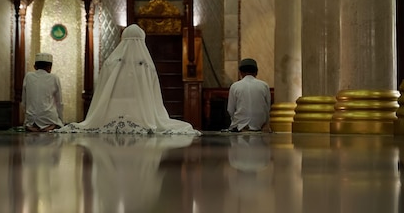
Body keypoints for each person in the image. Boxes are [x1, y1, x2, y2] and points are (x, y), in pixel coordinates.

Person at [56, 24, 200, 135]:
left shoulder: (110, 62)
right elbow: (153, 95)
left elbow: (101, 91)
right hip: (142, 110)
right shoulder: (147, 65)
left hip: (111, 110)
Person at [226, 58, 272, 132]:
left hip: (240, 127)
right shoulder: (264, 85)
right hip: (260, 127)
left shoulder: (235, 86)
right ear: (256, 72)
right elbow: (267, 108)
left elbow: (230, 110)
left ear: (240, 72)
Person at [21, 52, 64, 132]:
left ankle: (32, 126)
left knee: (30, 121)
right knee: (55, 122)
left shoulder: (28, 76)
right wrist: (61, 120)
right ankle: (50, 126)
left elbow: (24, 102)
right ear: (50, 67)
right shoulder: (54, 78)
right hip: (49, 117)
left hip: (31, 118)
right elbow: (59, 103)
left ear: (35, 67)